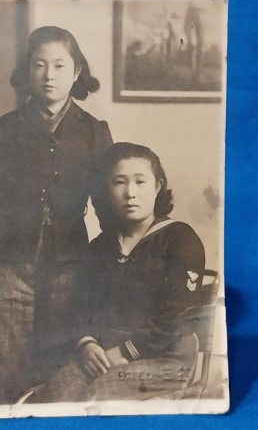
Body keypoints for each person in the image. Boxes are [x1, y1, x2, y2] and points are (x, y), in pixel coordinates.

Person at [0, 26, 113, 405]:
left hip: (70, 263)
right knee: (5, 356)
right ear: (27, 71)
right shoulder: (3, 130)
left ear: (77, 71)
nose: (49, 75)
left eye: (60, 66)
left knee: (59, 354)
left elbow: (105, 201)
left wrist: (114, 251)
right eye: (40, 65)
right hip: (8, 260)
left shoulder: (95, 132)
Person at [33, 142, 207, 403]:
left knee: (100, 395)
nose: (130, 193)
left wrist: (126, 352)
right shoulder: (100, 246)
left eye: (140, 182)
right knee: (57, 394)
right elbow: (80, 305)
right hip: (103, 354)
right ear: (107, 189)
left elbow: (178, 314)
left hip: (167, 358)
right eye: (119, 182)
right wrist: (86, 343)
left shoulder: (180, 238)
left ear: (158, 186)